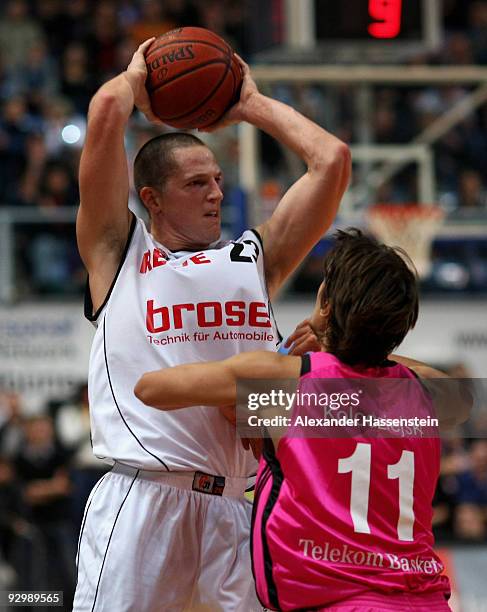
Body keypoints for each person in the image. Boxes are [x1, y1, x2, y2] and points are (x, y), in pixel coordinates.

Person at [74, 35, 350, 612]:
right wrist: (134, 80)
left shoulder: (254, 260)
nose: (216, 193)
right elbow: (104, 113)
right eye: (196, 183)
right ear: (151, 197)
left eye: (218, 180)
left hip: (237, 505)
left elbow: (332, 161)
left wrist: (249, 102)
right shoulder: (118, 255)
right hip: (145, 495)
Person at [135, 229, 461, 611]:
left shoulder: (289, 380)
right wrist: (348, 347)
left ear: (325, 304)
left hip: (343, 603)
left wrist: (295, 353)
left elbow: (152, 389)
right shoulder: (425, 393)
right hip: (425, 602)